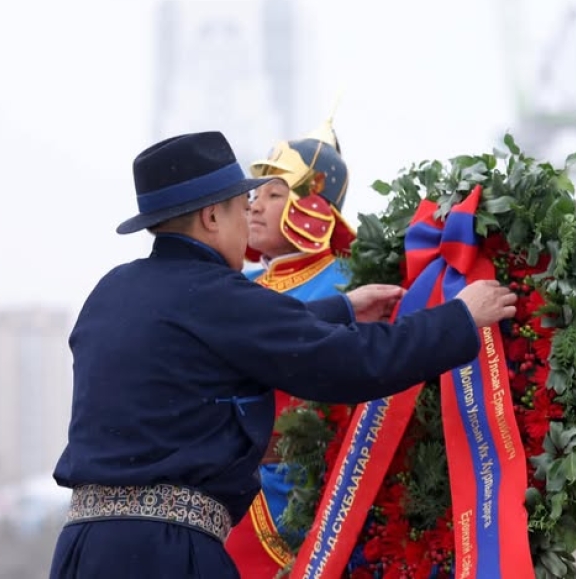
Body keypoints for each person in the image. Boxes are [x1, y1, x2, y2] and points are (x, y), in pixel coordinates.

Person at [49, 130, 516, 579]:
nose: (249, 220)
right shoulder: (216, 294)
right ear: (211, 218)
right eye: (242, 207)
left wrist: (341, 309)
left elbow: (209, 337)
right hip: (167, 555)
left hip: (80, 550)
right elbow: (352, 364)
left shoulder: (111, 292)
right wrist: (458, 318)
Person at [224, 116, 360, 577]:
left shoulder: (350, 283)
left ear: (313, 203)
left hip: (323, 491)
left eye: (274, 194)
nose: (254, 206)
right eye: (255, 195)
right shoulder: (235, 286)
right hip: (237, 492)